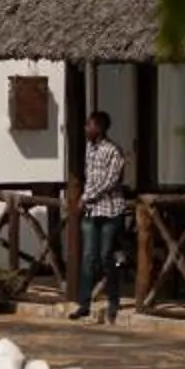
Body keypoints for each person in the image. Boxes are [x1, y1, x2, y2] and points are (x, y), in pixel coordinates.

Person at [69, 109, 129, 323]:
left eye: (90, 125)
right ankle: (84, 304)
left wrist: (86, 197)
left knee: (106, 257)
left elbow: (110, 181)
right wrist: (85, 199)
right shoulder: (89, 149)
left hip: (110, 211)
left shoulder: (113, 151)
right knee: (88, 258)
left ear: (100, 128)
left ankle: (114, 300)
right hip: (92, 212)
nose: (86, 129)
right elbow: (90, 177)